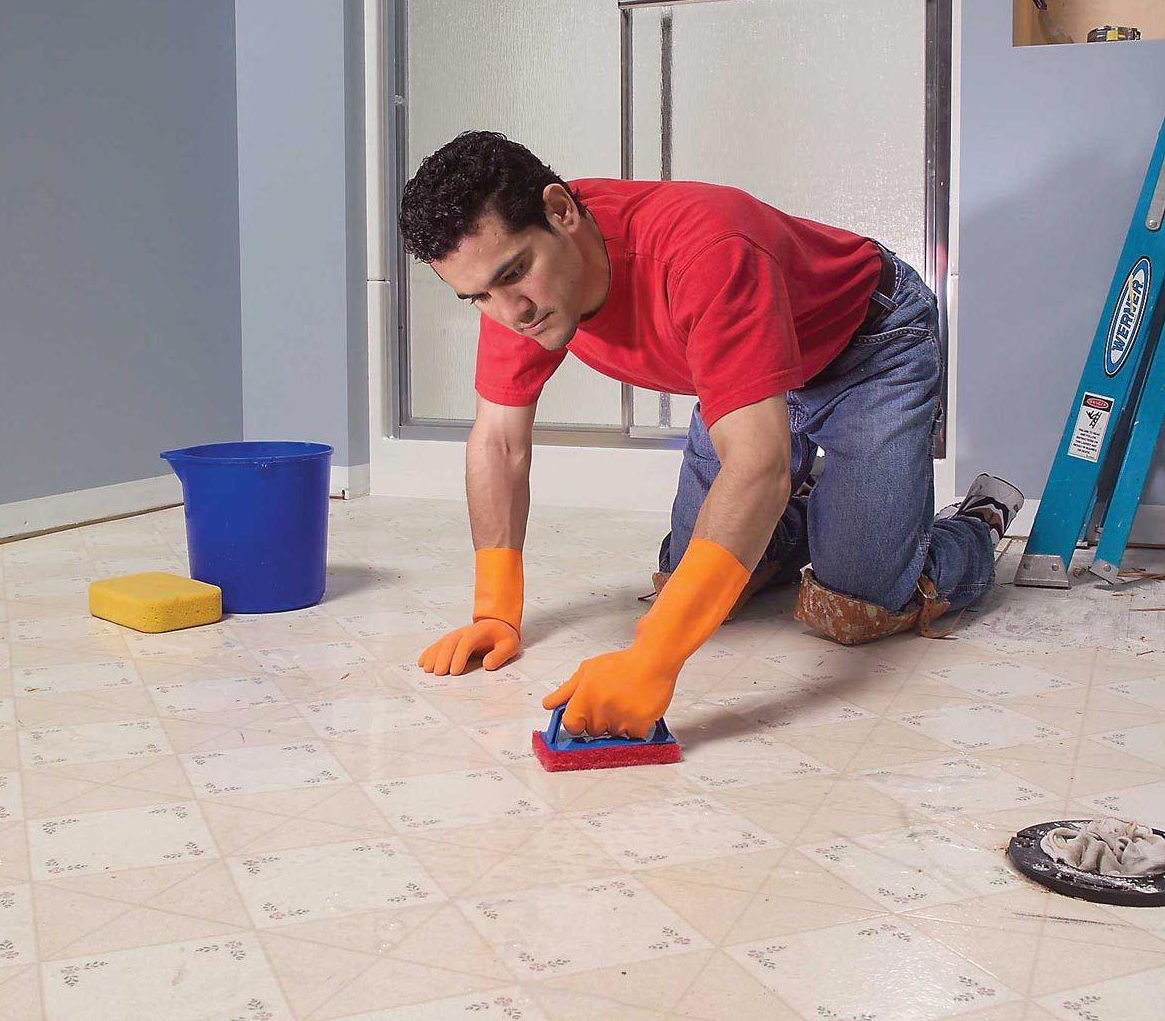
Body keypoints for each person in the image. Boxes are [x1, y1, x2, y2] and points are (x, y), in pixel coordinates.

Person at [398, 131, 1023, 739]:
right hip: (745, 378)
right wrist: (494, 610)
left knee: (857, 610)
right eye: (476, 297)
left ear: (561, 211)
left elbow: (755, 466)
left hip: (867, 345)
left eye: (515, 275)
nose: (510, 313)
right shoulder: (514, 294)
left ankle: (978, 519)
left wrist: (653, 658)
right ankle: (824, 507)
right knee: (685, 584)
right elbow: (498, 443)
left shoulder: (704, 250)